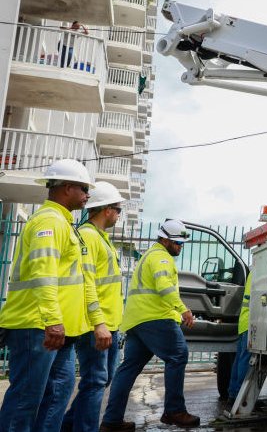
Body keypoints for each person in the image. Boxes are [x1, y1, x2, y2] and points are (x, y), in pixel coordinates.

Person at [0, 159, 111, 432]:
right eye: (84, 189)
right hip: (37, 326)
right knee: (26, 399)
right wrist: (52, 319)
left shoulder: (63, 222)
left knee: (57, 394)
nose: (88, 195)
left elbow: (74, 280)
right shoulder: (49, 221)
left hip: (57, 330)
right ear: (67, 188)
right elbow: (44, 272)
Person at [100, 220, 200, 431]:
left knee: (128, 369)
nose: (180, 247)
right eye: (177, 243)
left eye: (182, 243)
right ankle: (174, 410)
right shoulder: (160, 257)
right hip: (156, 317)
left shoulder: (149, 255)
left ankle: (111, 421)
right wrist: (183, 309)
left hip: (138, 320)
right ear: (164, 239)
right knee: (178, 355)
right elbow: (164, 287)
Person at [62, 182, 126, 432]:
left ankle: (68, 426)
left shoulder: (101, 238)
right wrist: (98, 323)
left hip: (108, 323)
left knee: (101, 378)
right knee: (95, 380)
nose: (119, 214)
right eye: (118, 209)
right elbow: (87, 281)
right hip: (96, 324)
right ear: (107, 210)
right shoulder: (88, 236)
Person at [226, 273, 252, 403]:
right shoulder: (259, 272)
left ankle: (233, 393)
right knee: (245, 360)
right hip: (250, 322)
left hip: (244, 322)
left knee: (239, 360)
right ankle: (240, 396)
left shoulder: (252, 273)